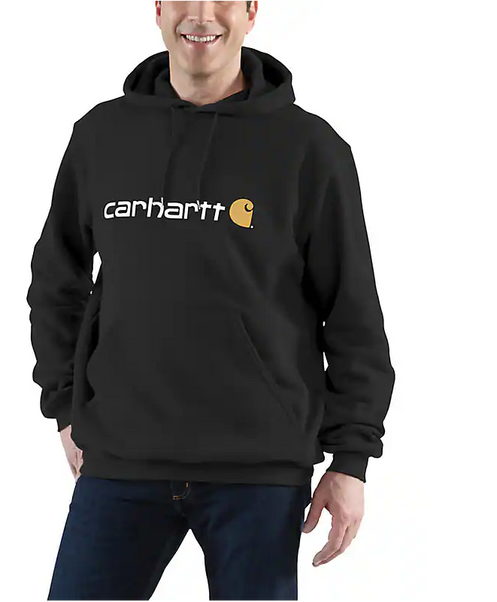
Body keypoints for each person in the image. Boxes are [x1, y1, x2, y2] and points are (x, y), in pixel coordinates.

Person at [26, 0, 396, 599]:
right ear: (158, 9)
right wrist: (66, 405)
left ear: (251, 11)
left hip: (259, 472)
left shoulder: (310, 149)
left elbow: (352, 312)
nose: (201, 13)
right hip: (123, 460)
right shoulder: (102, 136)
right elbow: (55, 280)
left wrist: (351, 459)